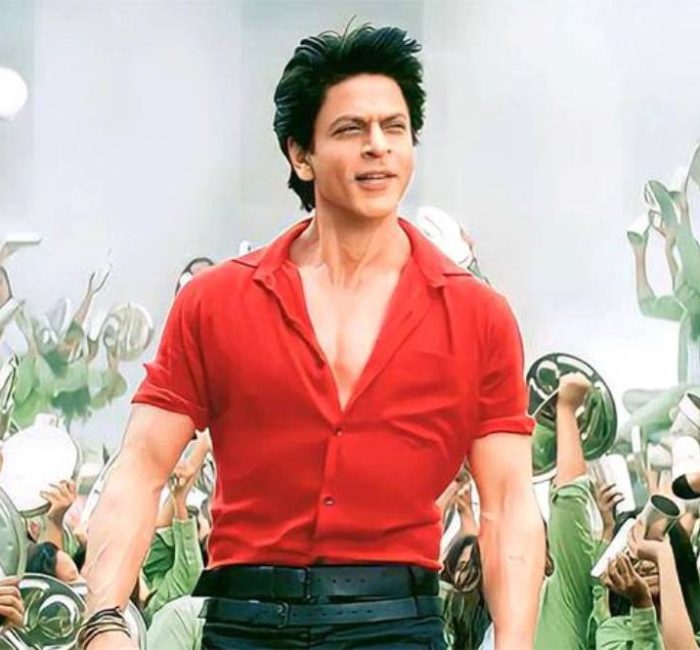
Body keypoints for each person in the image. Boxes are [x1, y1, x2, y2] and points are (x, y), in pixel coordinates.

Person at [82, 23, 542, 649]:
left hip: (396, 627)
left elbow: (509, 502)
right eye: (351, 129)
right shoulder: (214, 303)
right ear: (301, 155)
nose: (378, 146)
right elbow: (141, 466)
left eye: (395, 128)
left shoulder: (479, 316)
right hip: (243, 624)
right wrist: (104, 617)